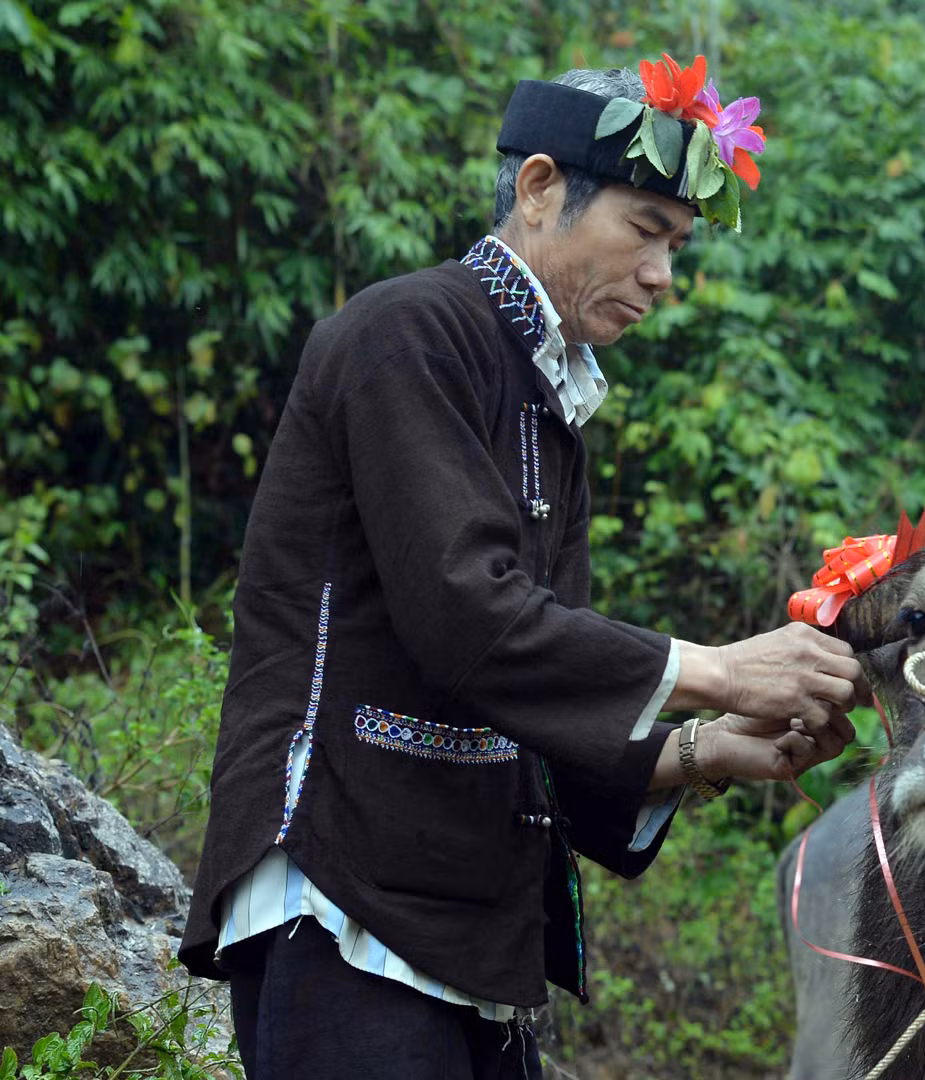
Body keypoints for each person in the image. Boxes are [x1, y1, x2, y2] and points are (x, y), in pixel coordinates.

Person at [179, 56, 855, 1078]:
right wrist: (723, 667)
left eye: (678, 245)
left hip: (458, 921)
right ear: (540, 189)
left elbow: (529, 702)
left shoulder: (551, 405)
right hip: (340, 891)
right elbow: (470, 617)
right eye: (645, 230)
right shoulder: (407, 331)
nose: (665, 275)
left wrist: (712, 750)